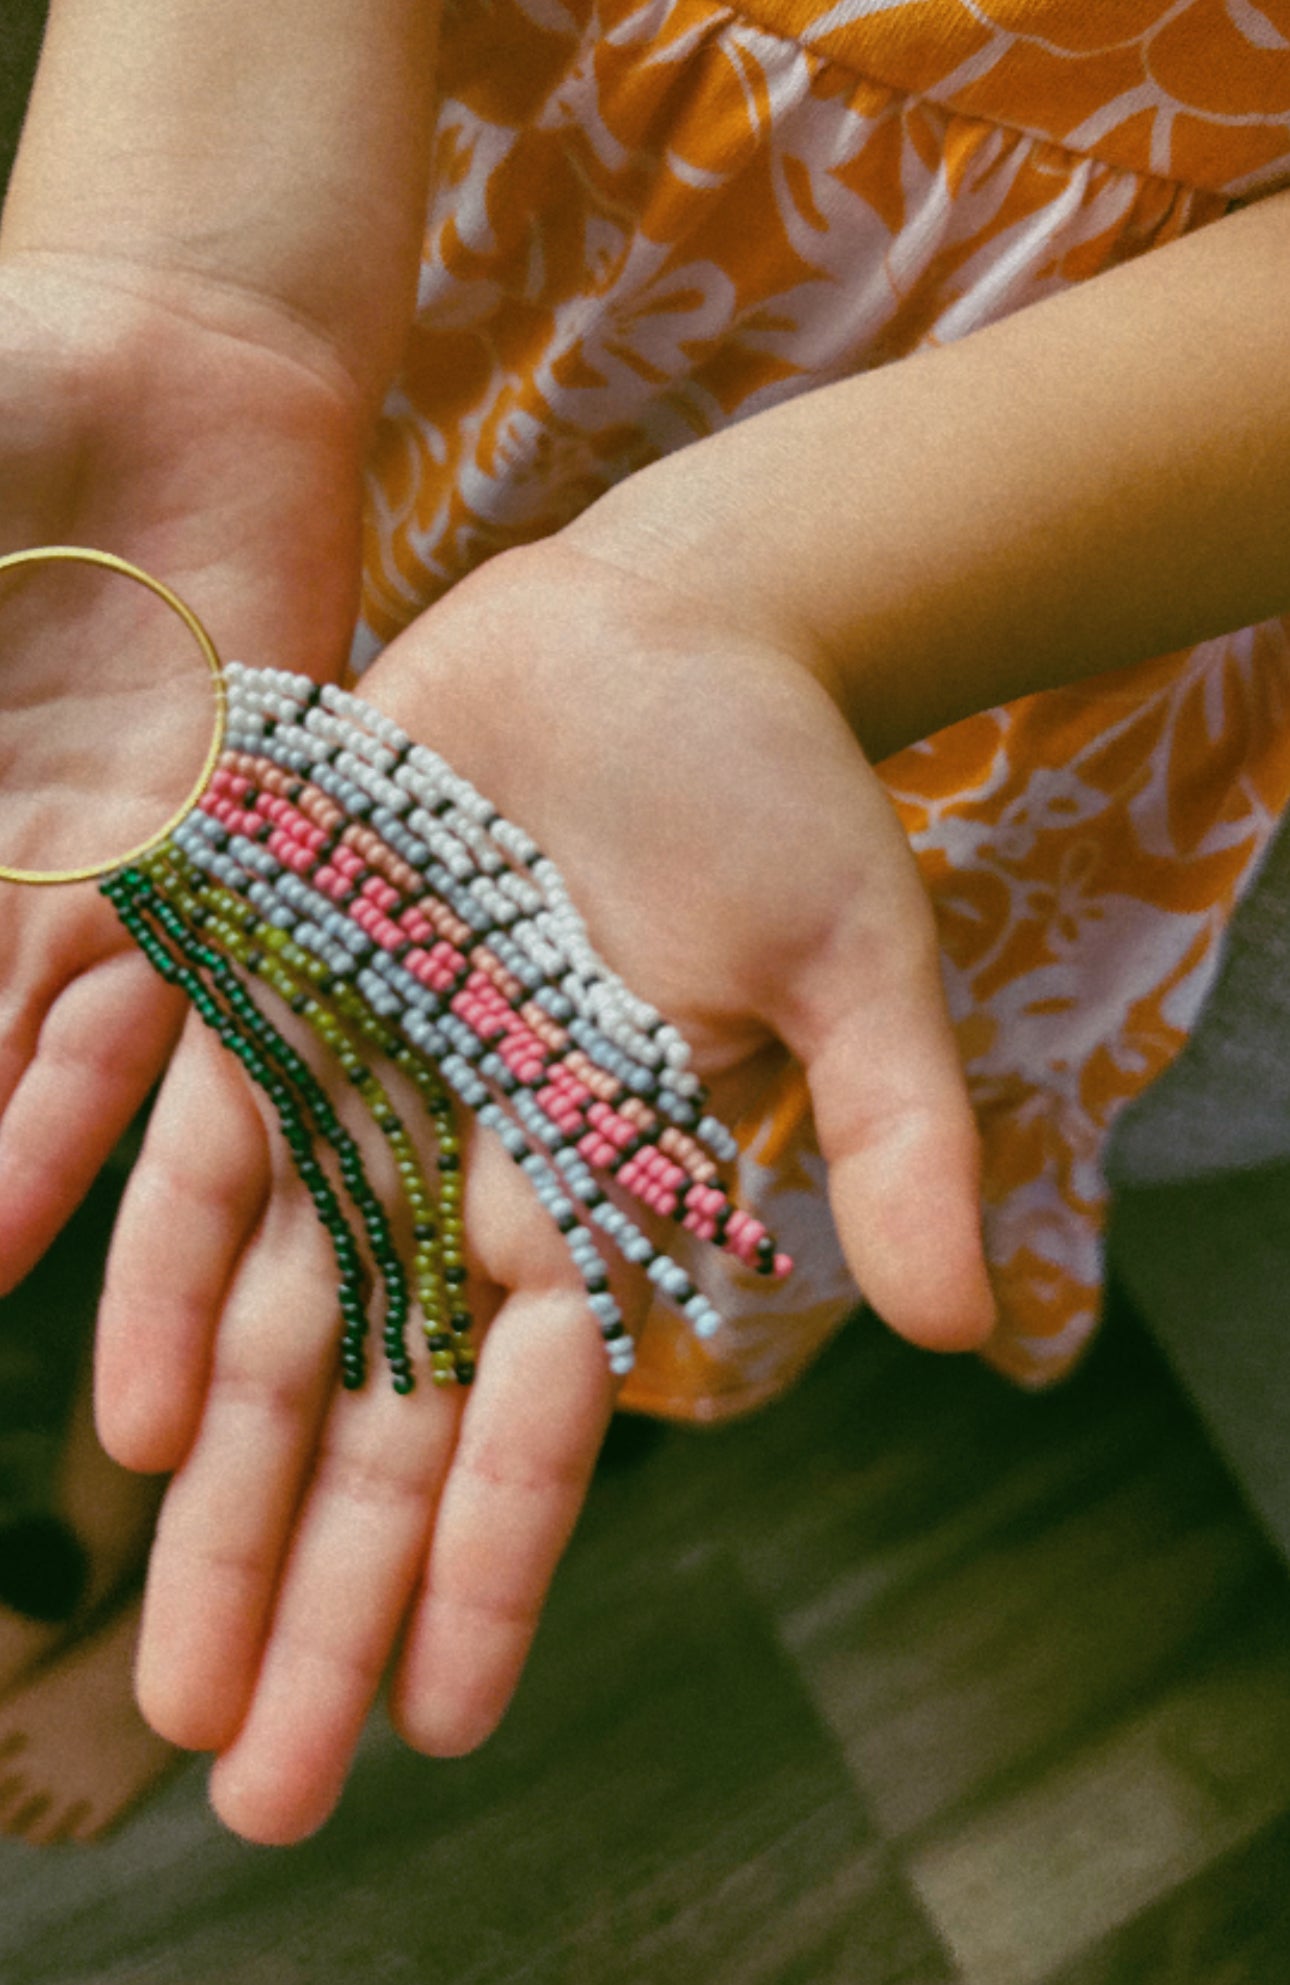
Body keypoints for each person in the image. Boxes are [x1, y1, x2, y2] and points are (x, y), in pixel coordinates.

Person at [0, 0, 1286, 1848]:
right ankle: (103, 1486)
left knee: (591, 1157)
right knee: (240, 987)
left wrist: (780, 592)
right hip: (476, 229)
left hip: (1051, 508)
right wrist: (162, 262)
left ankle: (246, 1520)